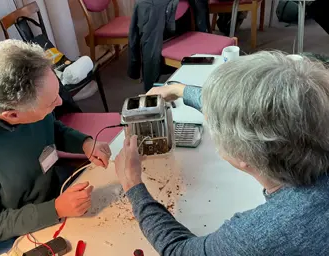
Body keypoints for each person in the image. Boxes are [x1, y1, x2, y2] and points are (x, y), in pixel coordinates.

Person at [115, 51, 329, 255]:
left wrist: (132, 185)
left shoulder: (259, 235)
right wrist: (180, 90)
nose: (210, 122)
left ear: (244, 156)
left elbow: (179, 251)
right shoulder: (314, 119)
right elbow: (253, 112)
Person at [0, 40, 111, 256]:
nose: (60, 103)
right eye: (50, 103)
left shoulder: (24, 97)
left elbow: (50, 127)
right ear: (12, 115)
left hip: (55, 193)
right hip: (15, 231)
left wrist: (84, 142)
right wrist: (55, 209)